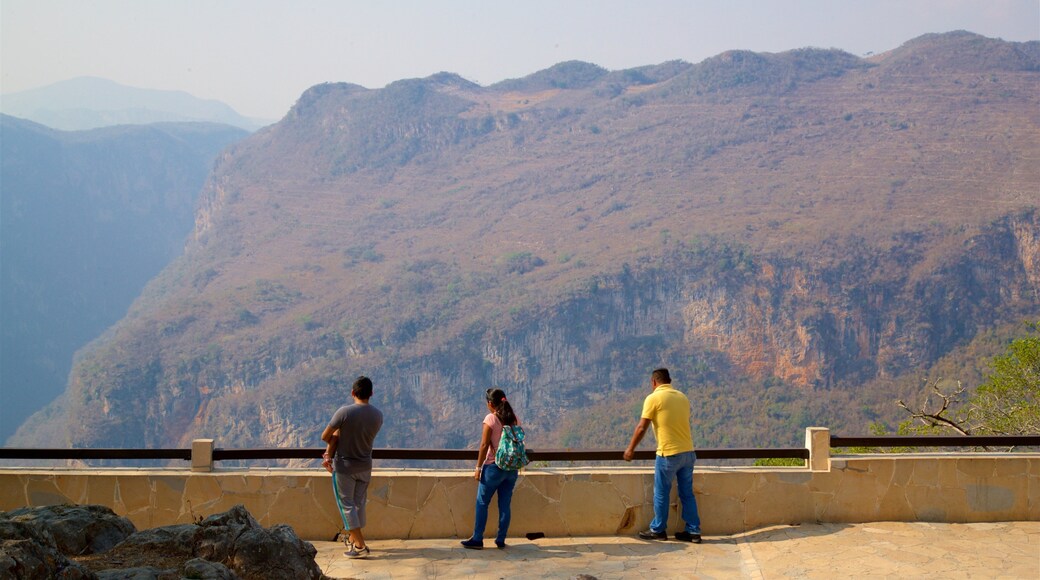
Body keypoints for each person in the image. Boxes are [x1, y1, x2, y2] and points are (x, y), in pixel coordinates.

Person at [623, 368, 702, 543]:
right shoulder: (682, 397)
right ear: (669, 380)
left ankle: (658, 529)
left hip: (668, 453)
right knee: (687, 494)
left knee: (661, 493)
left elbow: (641, 427)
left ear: (653, 382)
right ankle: (693, 531)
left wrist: (630, 449)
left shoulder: (653, 398)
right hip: (688, 452)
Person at [321, 375, 384, 558]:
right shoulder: (378, 415)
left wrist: (334, 443)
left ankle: (360, 545)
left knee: (346, 506)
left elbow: (325, 436)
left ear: (352, 392)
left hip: (345, 468)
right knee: (358, 505)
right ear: (371, 393)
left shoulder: (344, 413)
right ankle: (355, 540)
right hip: (365, 466)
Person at [460, 388, 522, 549]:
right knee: (505, 505)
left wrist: (478, 467)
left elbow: (484, 444)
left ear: (490, 403)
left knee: (482, 503)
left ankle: (478, 538)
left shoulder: (491, 418)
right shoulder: (513, 418)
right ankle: (501, 539)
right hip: (511, 469)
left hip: (493, 468)